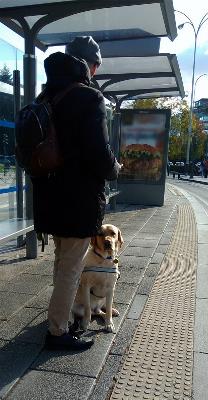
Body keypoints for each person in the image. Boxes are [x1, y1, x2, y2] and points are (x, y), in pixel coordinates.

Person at [31, 36, 122, 350]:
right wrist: (115, 169)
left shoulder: (46, 95)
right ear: (90, 66)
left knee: (61, 262)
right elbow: (99, 152)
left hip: (48, 198)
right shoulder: (88, 97)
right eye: (96, 66)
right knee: (71, 268)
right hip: (77, 201)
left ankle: (61, 316)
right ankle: (58, 332)